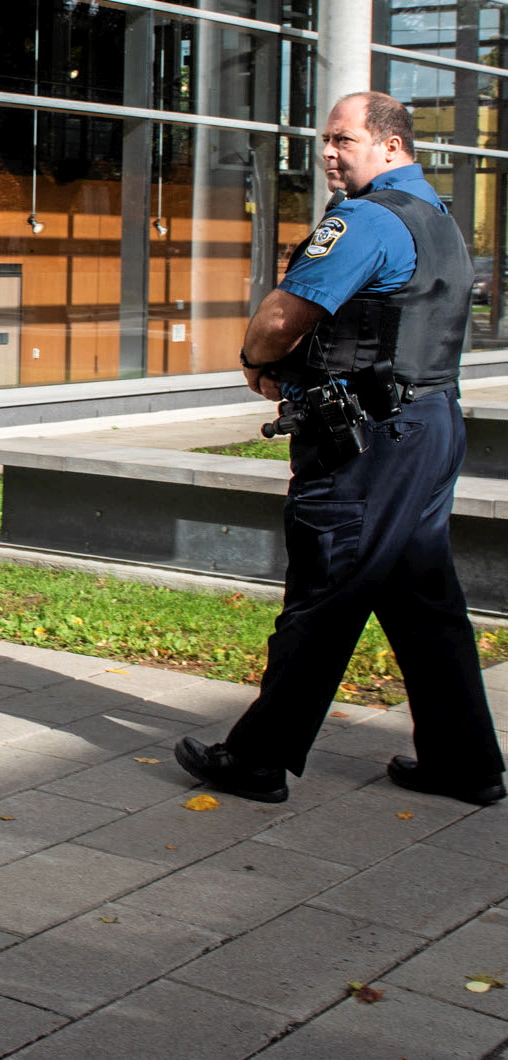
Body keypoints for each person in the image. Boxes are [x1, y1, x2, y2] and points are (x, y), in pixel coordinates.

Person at [175, 91, 506, 807]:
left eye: (343, 139)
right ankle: (465, 763)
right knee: (424, 601)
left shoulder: (365, 219)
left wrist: (254, 361)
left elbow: (282, 316)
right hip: (428, 425)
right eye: (324, 139)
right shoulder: (436, 215)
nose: (327, 152)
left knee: (325, 591)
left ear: (390, 145)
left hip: (370, 440)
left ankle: (256, 760)